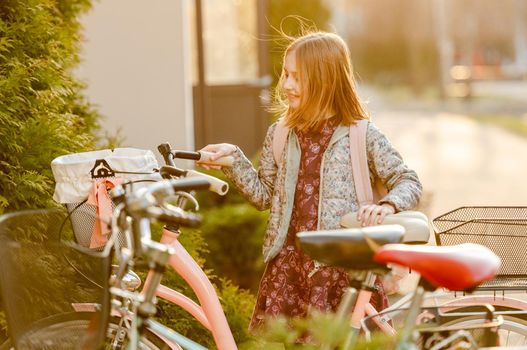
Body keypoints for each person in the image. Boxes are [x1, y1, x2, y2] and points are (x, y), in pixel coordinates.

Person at [198, 31, 422, 332]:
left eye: (297, 77)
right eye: (286, 75)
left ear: (325, 81)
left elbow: (408, 180)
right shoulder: (280, 133)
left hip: (342, 272)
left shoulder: (361, 134)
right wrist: (234, 160)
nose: (287, 84)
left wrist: (389, 205)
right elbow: (264, 197)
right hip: (290, 270)